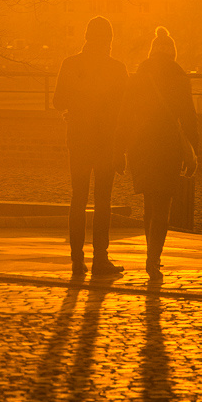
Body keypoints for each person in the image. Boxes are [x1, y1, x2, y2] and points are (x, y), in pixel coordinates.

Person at [116, 27, 198, 282]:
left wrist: (120, 148)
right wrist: (194, 151)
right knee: (163, 203)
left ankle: (150, 254)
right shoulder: (180, 77)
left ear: (152, 52)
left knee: (149, 202)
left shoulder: (139, 76)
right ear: (172, 53)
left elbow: (125, 114)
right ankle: (153, 259)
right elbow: (189, 118)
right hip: (167, 146)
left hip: (141, 146)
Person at [52, 16, 128, 277]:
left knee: (78, 198)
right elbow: (124, 113)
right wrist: (122, 147)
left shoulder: (70, 64)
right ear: (109, 40)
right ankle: (100, 258)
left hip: (79, 139)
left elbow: (58, 102)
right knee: (103, 201)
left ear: (86, 36)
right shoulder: (117, 69)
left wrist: (76, 105)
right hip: (106, 143)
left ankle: (76, 258)